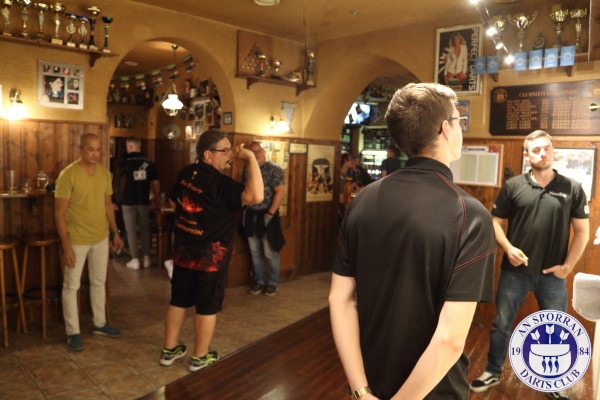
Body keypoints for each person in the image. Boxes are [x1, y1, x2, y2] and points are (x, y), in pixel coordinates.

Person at [329, 82, 497, 399]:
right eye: (459, 121)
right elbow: (449, 339)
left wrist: (361, 390)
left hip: (370, 382)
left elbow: (341, 299)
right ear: (445, 128)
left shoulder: (362, 201)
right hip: (434, 391)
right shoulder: (470, 215)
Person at [469, 130, 590, 400]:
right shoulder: (513, 186)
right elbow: (494, 222)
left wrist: (568, 266)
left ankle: (553, 381)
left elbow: (582, 231)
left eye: (547, 148)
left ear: (553, 151)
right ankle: (492, 371)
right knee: (501, 325)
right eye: (536, 150)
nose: (542, 153)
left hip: (553, 276)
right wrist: (508, 248)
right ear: (527, 155)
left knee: (554, 329)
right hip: (515, 273)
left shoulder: (572, 188)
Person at [159, 129, 263, 372]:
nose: (230, 154)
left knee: (178, 300)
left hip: (183, 251)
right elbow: (257, 196)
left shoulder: (187, 173)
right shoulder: (221, 184)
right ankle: (200, 357)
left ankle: (169, 350)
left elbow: (175, 200)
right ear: (208, 155)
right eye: (224, 150)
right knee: (207, 306)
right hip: (211, 257)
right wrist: (250, 158)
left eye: (230, 150)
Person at [55, 133, 124, 352]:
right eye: (90, 149)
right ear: (80, 150)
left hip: (100, 237)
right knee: (71, 286)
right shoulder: (68, 175)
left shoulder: (104, 173)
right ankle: (73, 332)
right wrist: (66, 245)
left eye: (97, 150)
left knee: (98, 282)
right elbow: (59, 213)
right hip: (76, 239)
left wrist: (115, 232)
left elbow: (107, 205)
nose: (95, 154)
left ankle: (100, 324)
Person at [243, 141, 286, 297]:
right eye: (253, 152)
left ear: (264, 152)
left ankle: (272, 283)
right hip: (250, 214)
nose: (257, 155)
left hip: (267, 215)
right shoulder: (248, 170)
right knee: (255, 252)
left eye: (259, 151)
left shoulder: (274, 169)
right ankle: (260, 281)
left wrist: (270, 213)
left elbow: (280, 192)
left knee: (270, 251)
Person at [120, 136, 160, 270]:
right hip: (144, 200)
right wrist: (156, 198)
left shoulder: (124, 161)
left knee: (131, 230)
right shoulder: (149, 162)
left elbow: (118, 181)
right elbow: (156, 183)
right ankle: (146, 258)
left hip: (128, 200)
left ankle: (135, 259)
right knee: (145, 229)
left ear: (130, 146)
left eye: (127, 146)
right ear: (139, 146)